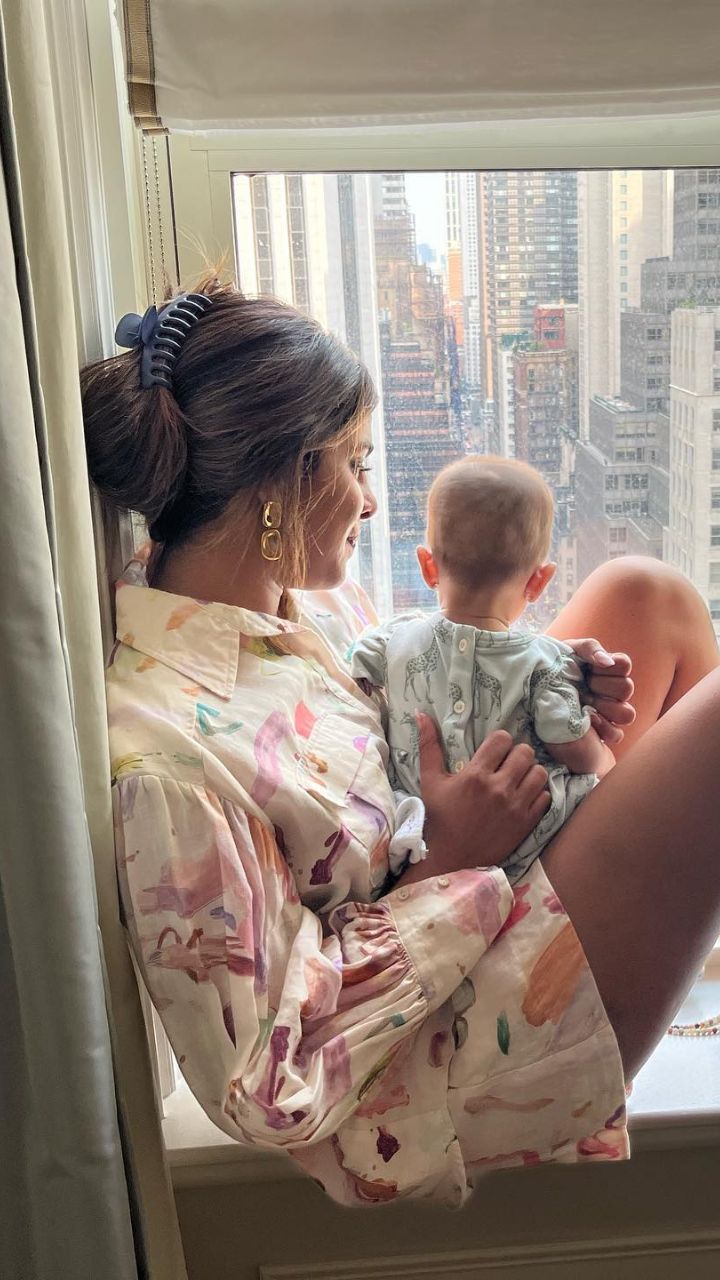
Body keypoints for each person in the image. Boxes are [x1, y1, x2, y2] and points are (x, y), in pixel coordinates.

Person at [82, 279, 720, 1208]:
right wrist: (448, 863)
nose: (374, 501)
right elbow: (268, 1085)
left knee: (645, 595)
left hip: (465, 868)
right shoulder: (171, 766)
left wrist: (553, 673)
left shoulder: (282, 606)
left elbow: (424, 686)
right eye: (358, 464)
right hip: (427, 1050)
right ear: (282, 484)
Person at [351, 455, 615, 885]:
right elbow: (580, 753)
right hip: (525, 851)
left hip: (418, 840)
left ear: (428, 566)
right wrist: (603, 752)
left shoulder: (392, 640)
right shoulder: (542, 666)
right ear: (539, 581)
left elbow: (355, 664)